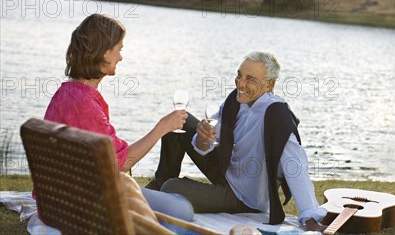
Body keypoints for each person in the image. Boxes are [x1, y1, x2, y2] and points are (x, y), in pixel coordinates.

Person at [148, 51, 327, 231]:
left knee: (171, 187)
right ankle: (157, 184)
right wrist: (203, 139)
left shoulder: (276, 116)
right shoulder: (236, 100)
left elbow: (295, 165)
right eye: (239, 75)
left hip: (243, 197)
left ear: (269, 85)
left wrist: (311, 218)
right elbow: (208, 142)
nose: (241, 84)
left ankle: (162, 190)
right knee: (180, 120)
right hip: (226, 170)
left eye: (250, 79)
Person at [43, 13, 194, 221]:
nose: (121, 57)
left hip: (65, 195)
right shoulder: (84, 103)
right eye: (119, 49)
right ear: (105, 52)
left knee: (172, 199)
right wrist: (162, 128)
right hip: (84, 201)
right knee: (183, 209)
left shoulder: (67, 92)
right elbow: (121, 163)